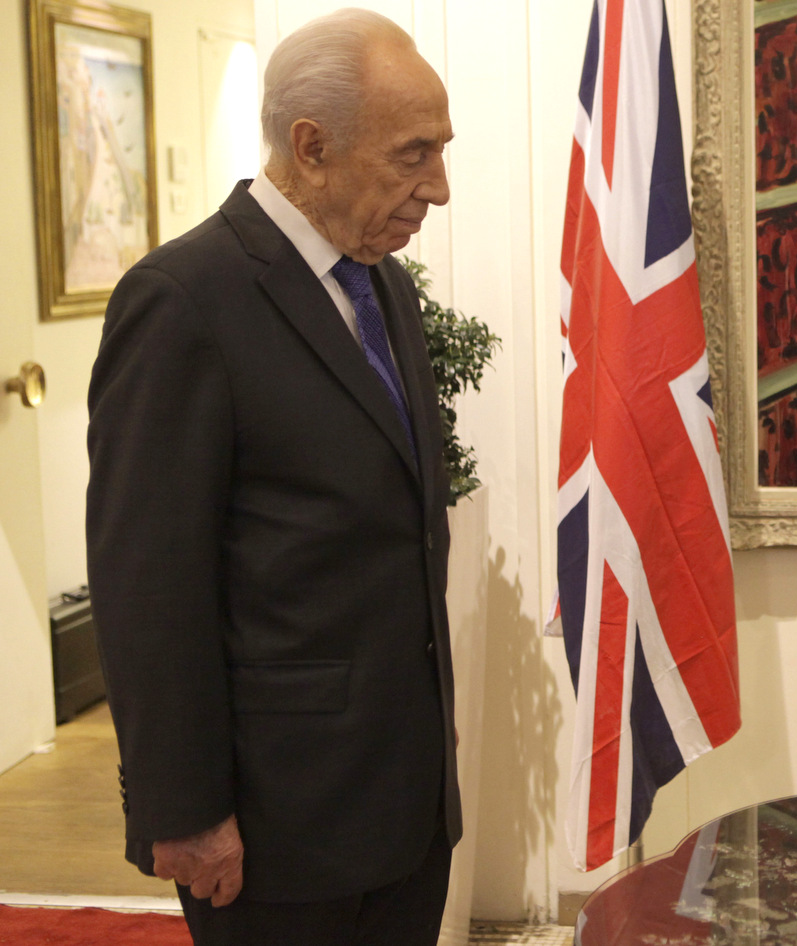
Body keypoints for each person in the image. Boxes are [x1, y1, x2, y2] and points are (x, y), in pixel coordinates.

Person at [86, 10, 458, 943]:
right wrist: (184, 811)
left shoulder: (384, 282)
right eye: (413, 155)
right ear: (312, 146)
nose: (439, 188)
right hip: (275, 828)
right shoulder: (183, 301)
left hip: (403, 807)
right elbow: (147, 586)